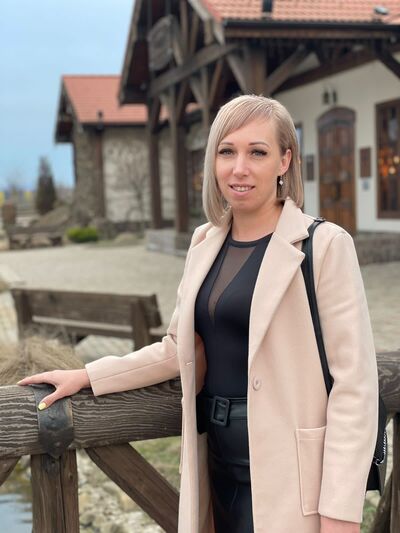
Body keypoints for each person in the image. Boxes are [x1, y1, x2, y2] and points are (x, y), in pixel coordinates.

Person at [18, 95, 379, 533]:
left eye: (257, 152)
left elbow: (355, 386)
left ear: (285, 160)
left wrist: (340, 511)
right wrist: (87, 376)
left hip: (294, 477)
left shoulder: (325, 245)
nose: (239, 168)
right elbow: (177, 349)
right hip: (216, 464)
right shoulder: (205, 243)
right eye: (227, 151)